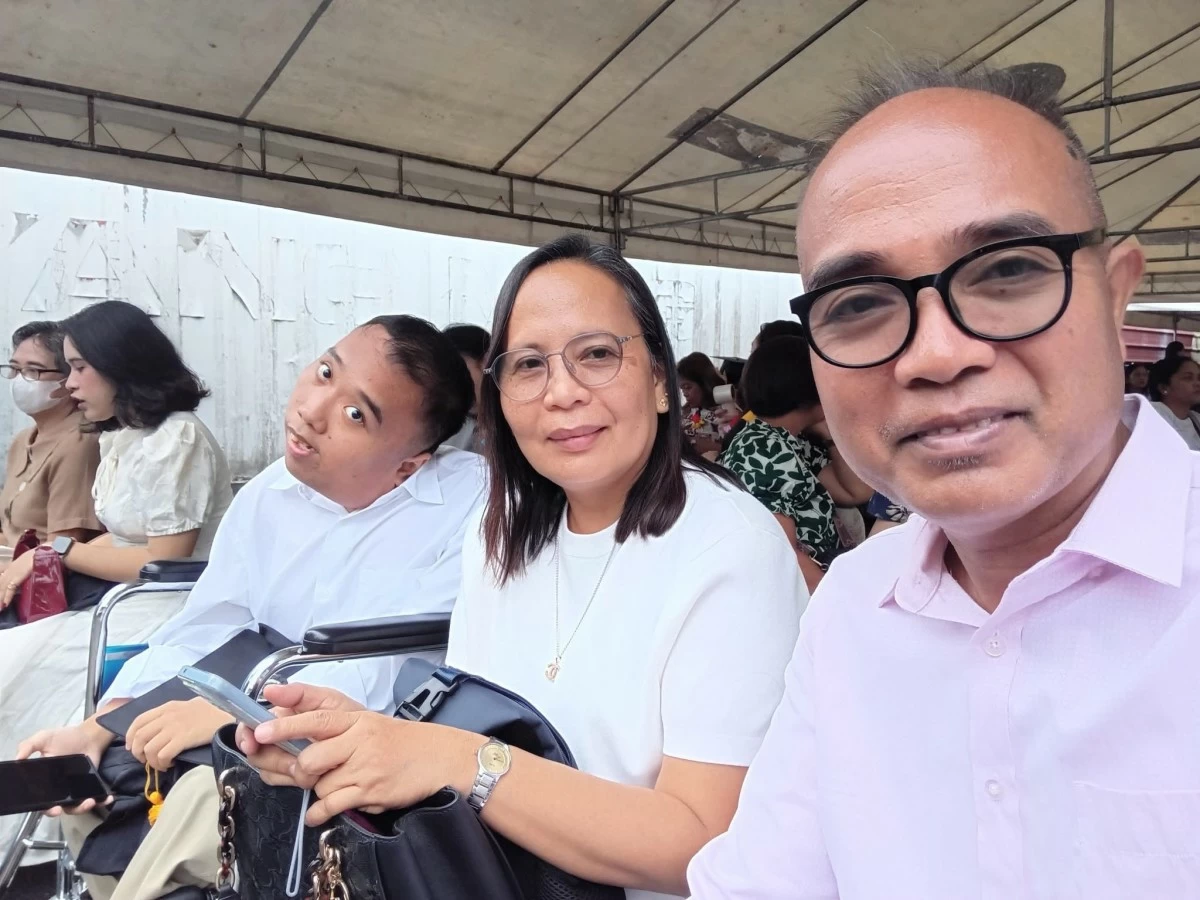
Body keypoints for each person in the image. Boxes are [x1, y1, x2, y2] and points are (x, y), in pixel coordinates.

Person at [688, 59, 1200, 900]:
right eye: (859, 303)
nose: (935, 353)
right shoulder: (854, 608)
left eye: (1006, 270)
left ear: (1116, 298)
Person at [239, 235, 805, 900]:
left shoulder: (729, 547)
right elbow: (467, 733)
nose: (561, 392)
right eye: (529, 365)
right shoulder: (503, 533)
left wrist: (458, 761)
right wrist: (365, 738)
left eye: (596, 355)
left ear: (660, 380)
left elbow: (705, 841)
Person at [17, 314, 486, 900]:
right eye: (325, 372)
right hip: (247, 695)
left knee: (202, 800)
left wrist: (246, 713)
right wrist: (106, 719)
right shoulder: (270, 492)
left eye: (355, 414)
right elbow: (211, 625)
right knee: (93, 781)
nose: (312, 410)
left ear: (409, 464)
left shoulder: (468, 506)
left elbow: (390, 666)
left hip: (358, 741)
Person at [0, 301, 231, 859]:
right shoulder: (125, 436)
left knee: (19, 669)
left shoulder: (177, 438)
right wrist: (48, 554)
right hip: (123, 597)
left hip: (167, 602)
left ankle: (31, 837)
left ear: (120, 365)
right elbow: (121, 538)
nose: (69, 383)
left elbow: (163, 557)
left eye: (80, 368)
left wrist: (60, 551)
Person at [720, 336, 871, 589]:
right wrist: (846, 602)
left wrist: (828, 434)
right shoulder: (765, 450)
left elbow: (855, 491)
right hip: (807, 591)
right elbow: (782, 554)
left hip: (825, 575)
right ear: (808, 389)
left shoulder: (790, 439)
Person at [0, 321, 102, 550]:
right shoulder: (23, 440)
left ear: (68, 379)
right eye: (15, 369)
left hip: (41, 568)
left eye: (33, 370)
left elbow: (61, 547)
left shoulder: (80, 443)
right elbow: (12, 535)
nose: (20, 380)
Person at [443, 322, 491, 453]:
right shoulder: (449, 432)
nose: (453, 387)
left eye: (458, 373)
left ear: (488, 361)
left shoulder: (521, 422)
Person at [677, 351, 727, 455]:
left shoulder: (724, 412)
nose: (685, 394)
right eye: (682, 389)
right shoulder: (685, 413)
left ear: (704, 384)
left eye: (688, 387)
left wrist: (714, 447)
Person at [1148, 355, 1200, 450]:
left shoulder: (1196, 418)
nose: (1197, 383)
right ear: (1164, 387)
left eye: (1199, 378)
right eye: (1188, 378)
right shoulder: (1154, 414)